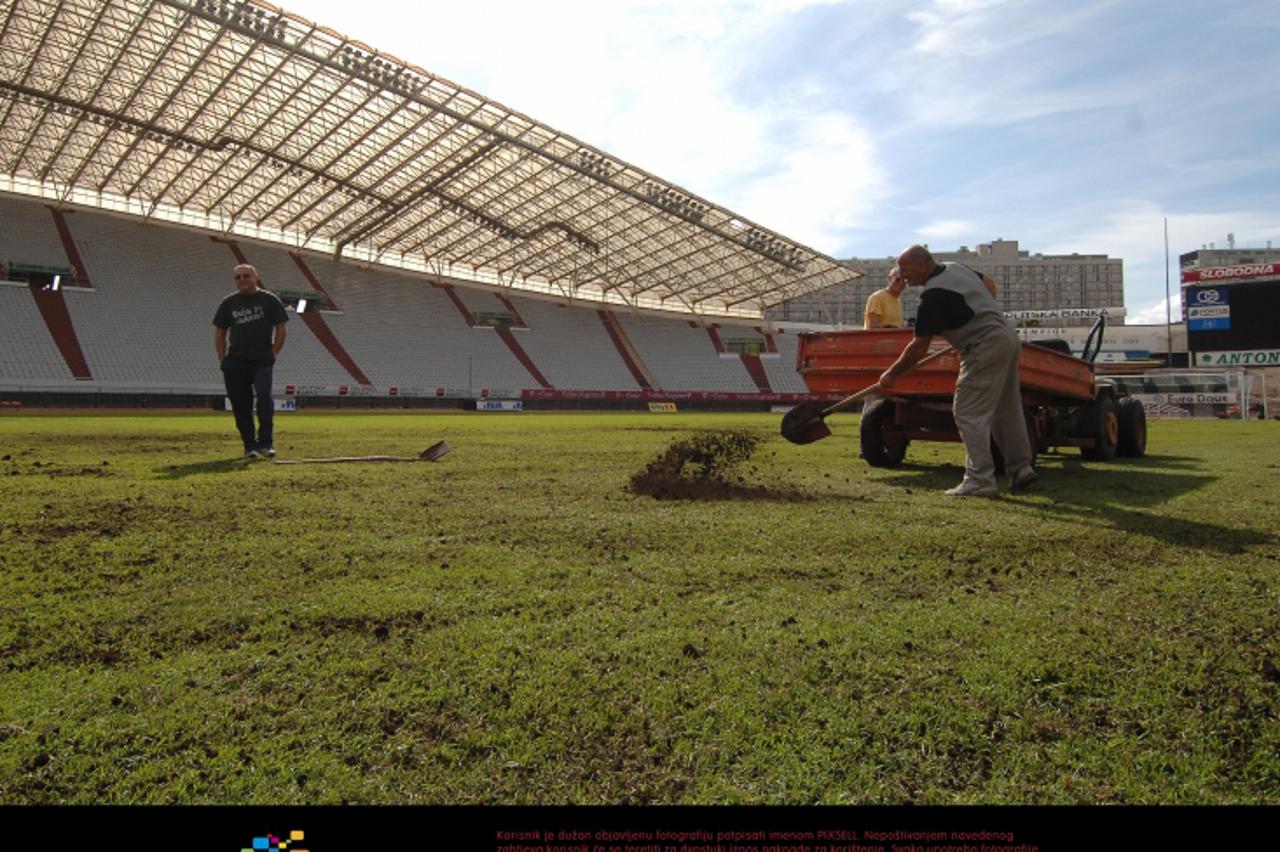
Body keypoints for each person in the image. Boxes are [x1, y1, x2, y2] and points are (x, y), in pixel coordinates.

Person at [877, 245, 1036, 497]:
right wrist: (978, 317)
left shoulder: (934, 295)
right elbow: (990, 285)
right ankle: (1021, 470)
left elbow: (918, 347)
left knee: (968, 411)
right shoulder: (955, 267)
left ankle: (980, 479)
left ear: (922, 265)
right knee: (1006, 408)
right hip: (1005, 336)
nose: (902, 277)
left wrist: (891, 375)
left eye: (905, 271)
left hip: (985, 344)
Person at [213, 264, 288, 459]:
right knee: (240, 404)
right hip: (235, 362)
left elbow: (281, 327)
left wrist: (273, 353)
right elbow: (220, 333)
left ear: (256, 277)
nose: (242, 280)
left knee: (264, 397)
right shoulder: (228, 303)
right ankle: (249, 445)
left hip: (261, 359)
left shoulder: (269, 300)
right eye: (237, 277)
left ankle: (266, 443)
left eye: (246, 276)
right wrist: (223, 360)